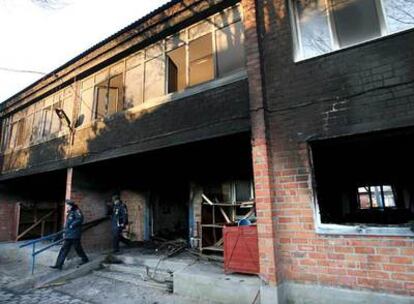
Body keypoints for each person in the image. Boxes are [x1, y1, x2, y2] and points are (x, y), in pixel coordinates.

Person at [50, 200, 89, 270]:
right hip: (69, 234)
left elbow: (80, 219)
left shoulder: (77, 211)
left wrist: (72, 225)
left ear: (71, 206)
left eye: (68, 206)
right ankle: (58, 264)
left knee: (78, 248)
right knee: (64, 249)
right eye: (67, 205)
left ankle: (85, 259)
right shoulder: (70, 212)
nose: (67, 207)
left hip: (74, 234)